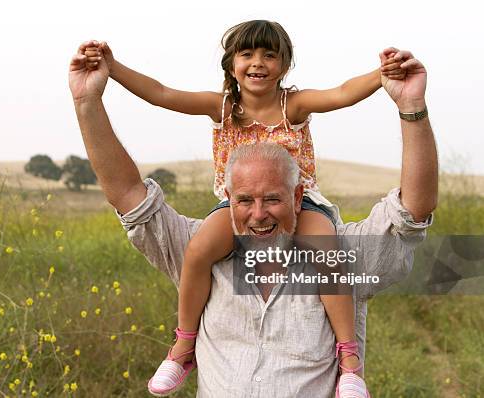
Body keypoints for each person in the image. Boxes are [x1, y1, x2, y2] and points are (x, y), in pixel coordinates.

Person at [69, 39, 437, 397]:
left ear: (285, 65)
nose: (258, 63)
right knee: (197, 251)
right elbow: (162, 93)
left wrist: (383, 76)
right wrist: (111, 73)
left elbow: (342, 93)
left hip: (306, 207)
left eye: (269, 55)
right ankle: (183, 347)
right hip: (231, 213)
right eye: (247, 54)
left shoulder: (294, 104)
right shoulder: (223, 107)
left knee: (329, 253)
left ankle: (348, 361)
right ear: (231, 65)